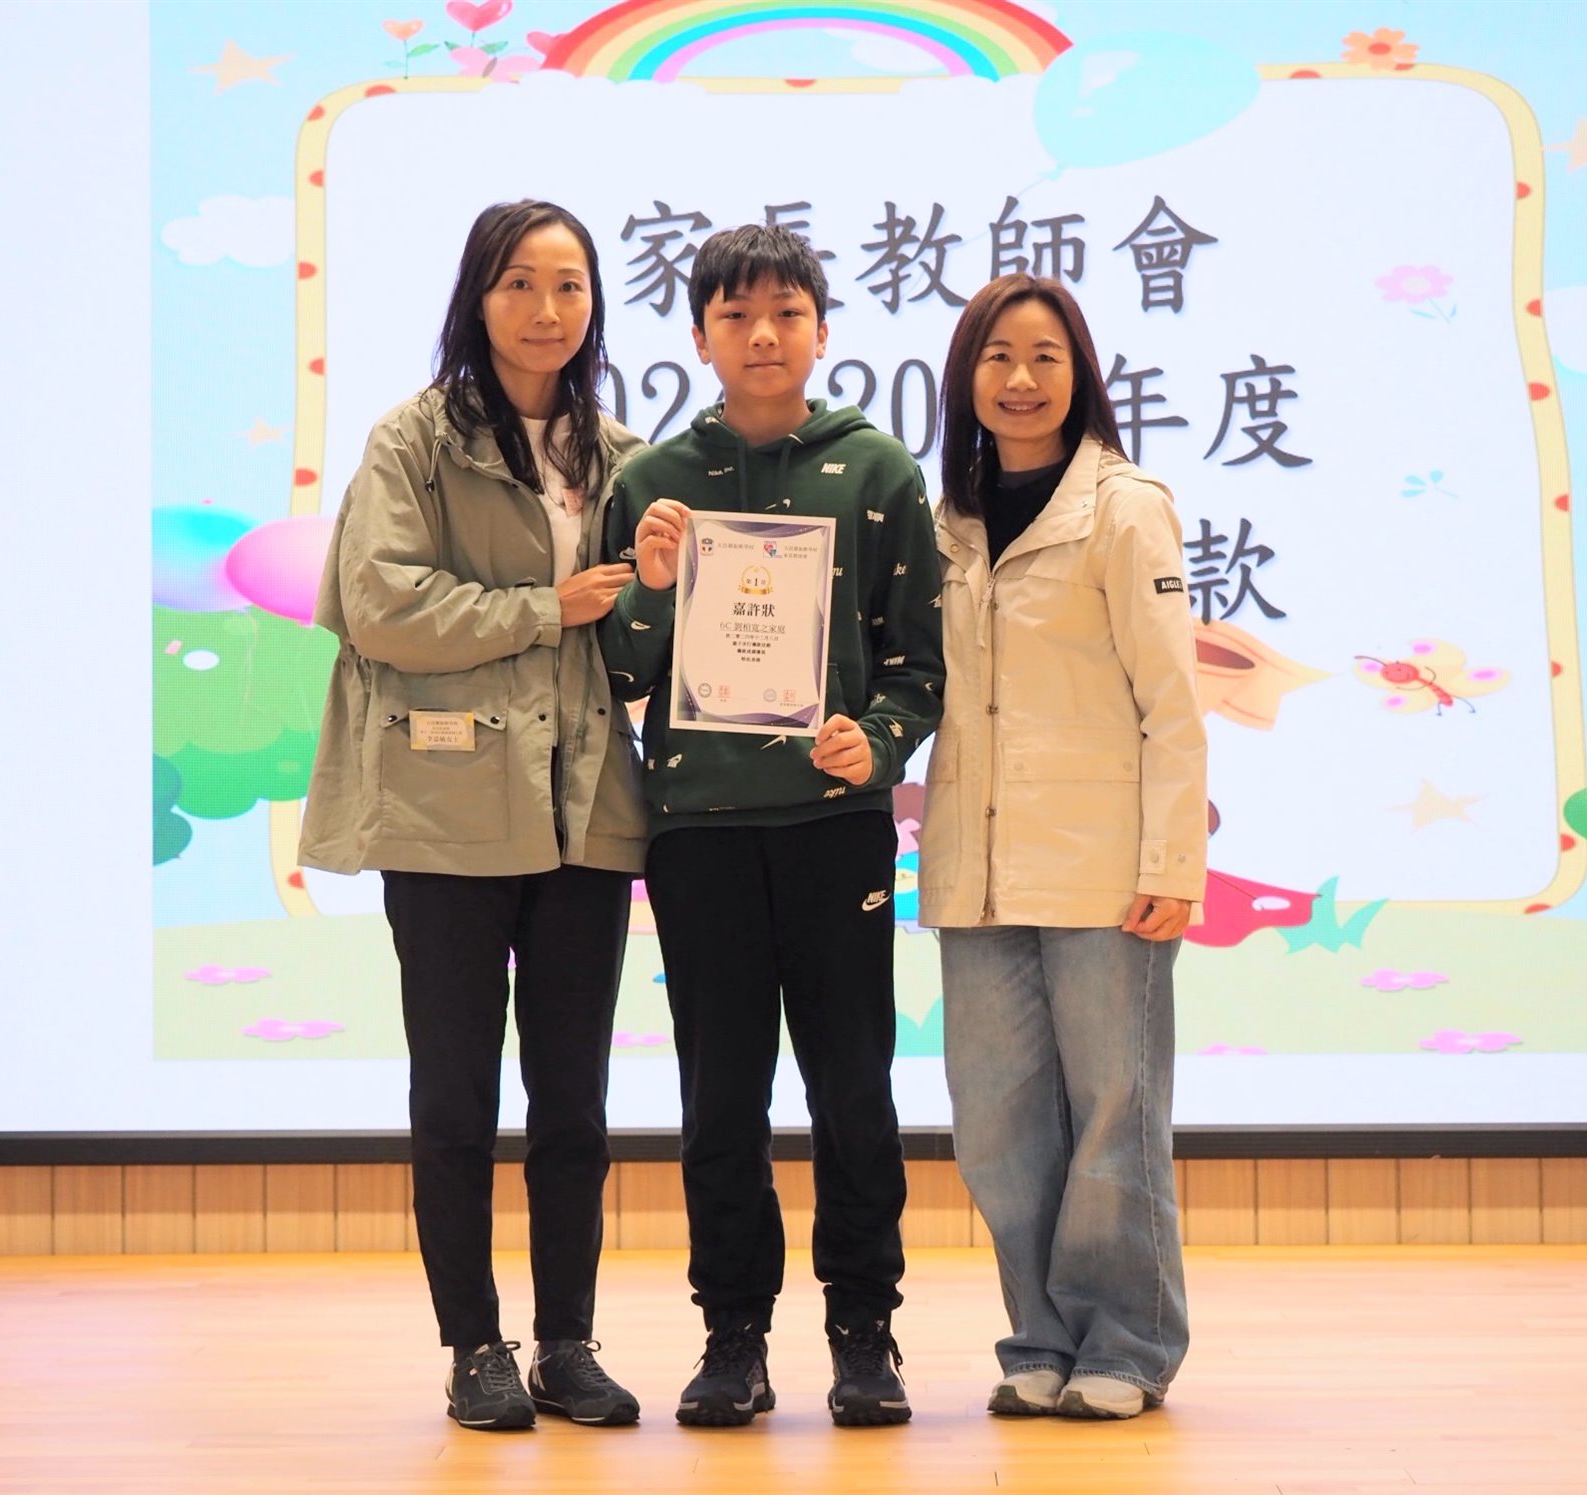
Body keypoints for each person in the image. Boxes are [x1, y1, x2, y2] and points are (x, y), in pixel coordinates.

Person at [299, 200, 649, 1432]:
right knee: (454, 1099)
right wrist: (546, 606)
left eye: (569, 284)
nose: (547, 309)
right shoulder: (412, 440)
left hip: (584, 812)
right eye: (518, 283)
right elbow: (380, 605)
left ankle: (566, 1343)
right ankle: (472, 1347)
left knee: (574, 1104)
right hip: (442, 812)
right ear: (476, 298)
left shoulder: (623, 454)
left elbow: (644, 629)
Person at [599, 224, 945, 1428]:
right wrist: (649, 587)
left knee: (853, 1088)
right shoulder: (650, 483)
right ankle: (731, 1335)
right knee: (720, 1098)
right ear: (698, 336)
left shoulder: (878, 472)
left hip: (834, 826)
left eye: (786, 313)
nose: (762, 335)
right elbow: (617, 670)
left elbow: (919, 668)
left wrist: (878, 742)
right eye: (735, 315)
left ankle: (863, 1331)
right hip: (696, 833)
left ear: (821, 329)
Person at [919, 275, 1208, 1420]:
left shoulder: (1125, 507)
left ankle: (1127, 1344)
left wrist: (1170, 865)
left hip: (1102, 872)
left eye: (1045, 356)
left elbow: (1171, 702)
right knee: (997, 1129)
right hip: (975, 874)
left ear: (1080, 373)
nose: (1020, 378)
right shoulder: (941, 521)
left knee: (1111, 1118)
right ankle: (1038, 1336)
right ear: (965, 379)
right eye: (997, 356)